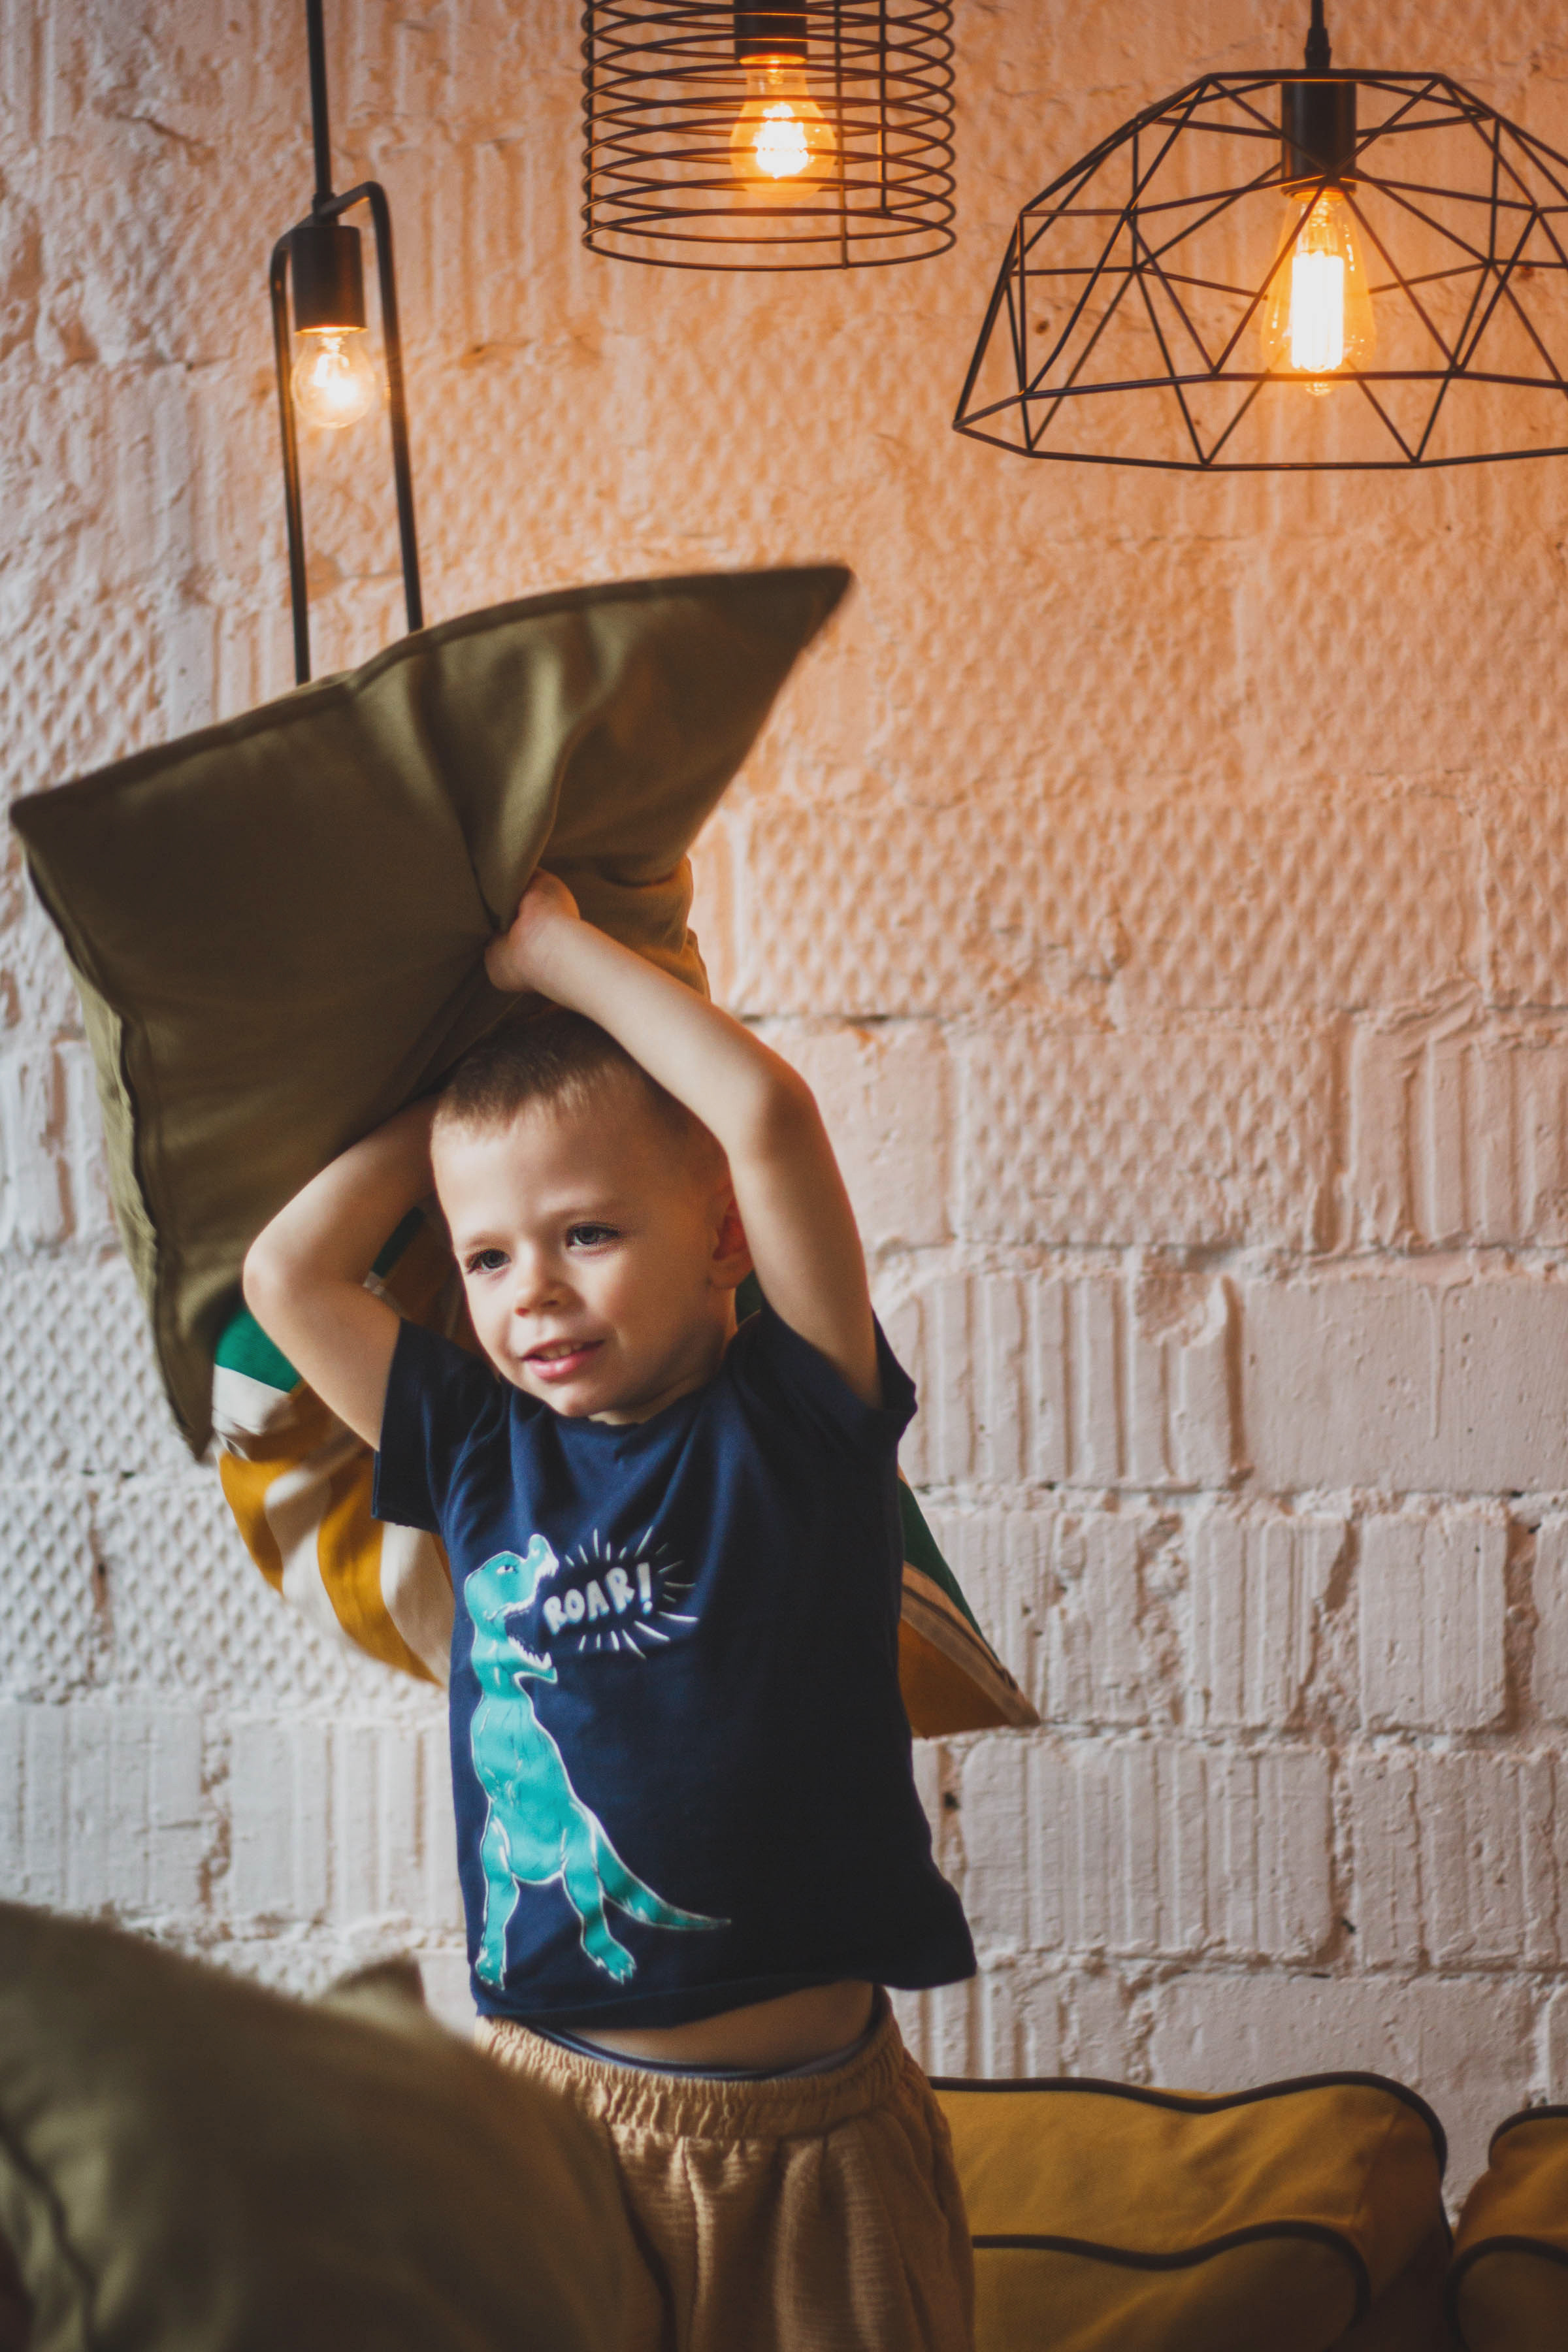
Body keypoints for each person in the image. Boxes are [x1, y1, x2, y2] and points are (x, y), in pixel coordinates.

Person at [242, 870, 978, 2352]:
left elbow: (765, 1117)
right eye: (488, 1259)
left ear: (723, 1240)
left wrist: (561, 960)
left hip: (810, 2140)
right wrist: (455, 1096)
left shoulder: (800, 1419)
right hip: (553, 2122)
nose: (534, 1298)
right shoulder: (471, 1449)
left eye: (588, 1235)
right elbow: (286, 1272)